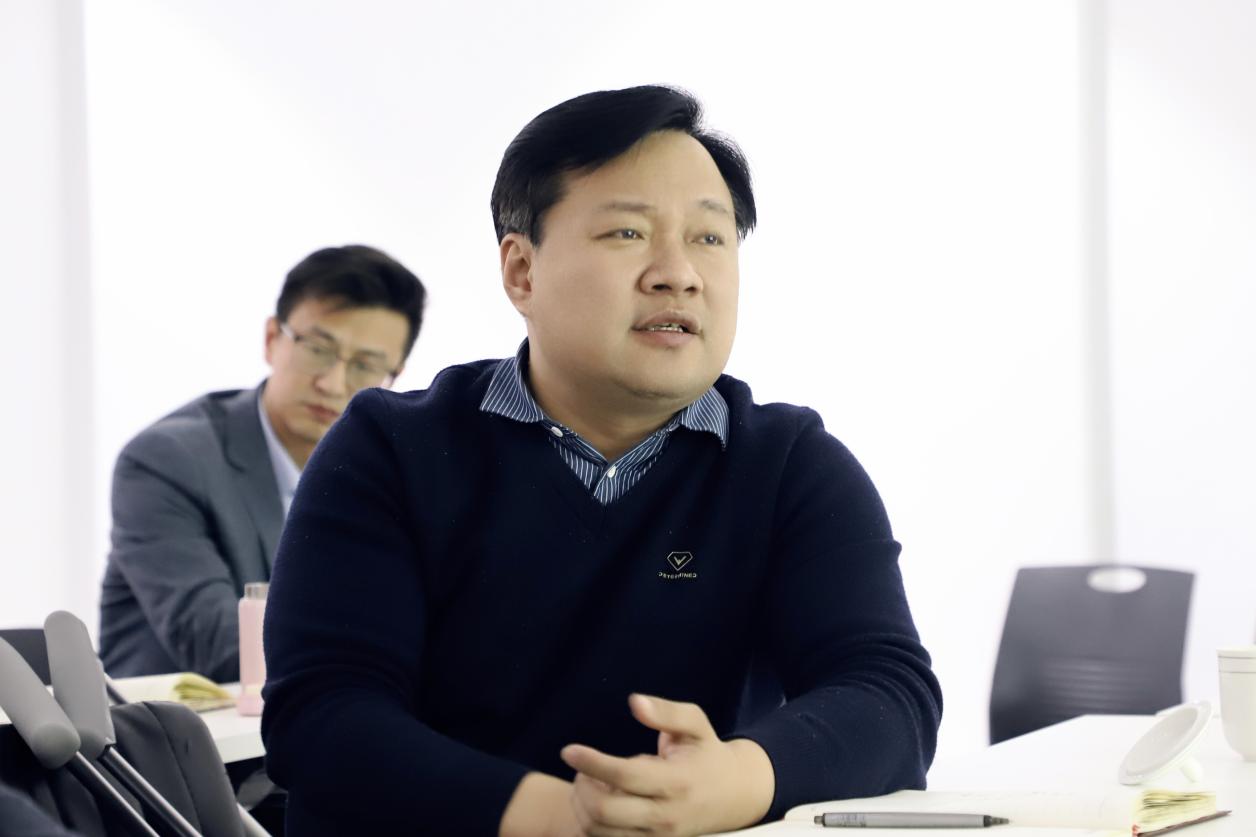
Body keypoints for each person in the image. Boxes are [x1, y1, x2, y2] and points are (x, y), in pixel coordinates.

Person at [262, 86, 942, 836]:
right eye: (628, 232)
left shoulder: (790, 465)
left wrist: (738, 779)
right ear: (521, 272)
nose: (678, 273)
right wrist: (570, 819)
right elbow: (323, 715)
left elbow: (888, 694)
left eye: (709, 238)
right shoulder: (389, 449)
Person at [99, 245, 427, 683]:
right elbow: (221, 644)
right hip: (183, 725)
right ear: (272, 338)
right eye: (318, 349)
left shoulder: (391, 473)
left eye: (365, 365)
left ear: (394, 377)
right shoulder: (167, 461)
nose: (332, 384)